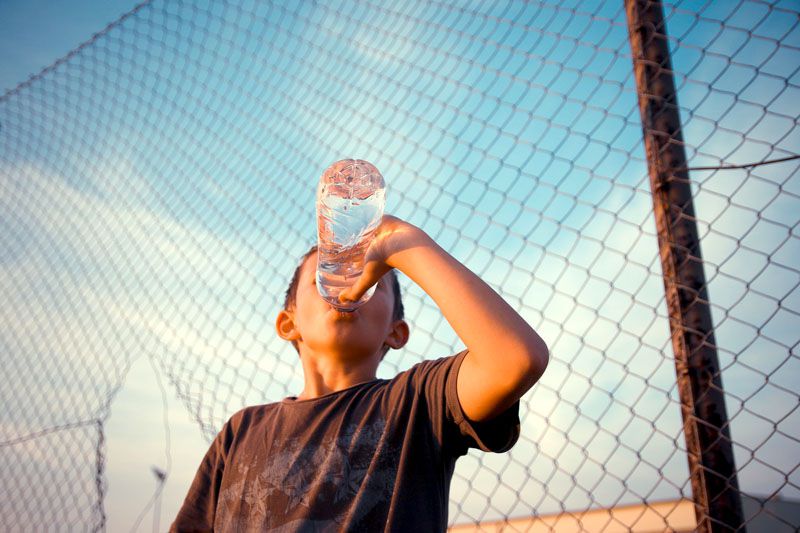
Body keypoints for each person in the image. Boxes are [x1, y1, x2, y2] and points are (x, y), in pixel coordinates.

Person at [170, 215, 549, 532]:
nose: (346, 284)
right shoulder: (241, 432)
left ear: (396, 332)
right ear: (288, 323)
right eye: (326, 274)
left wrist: (404, 245)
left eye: (371, 278)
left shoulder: (419, 403)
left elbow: (515, 359)